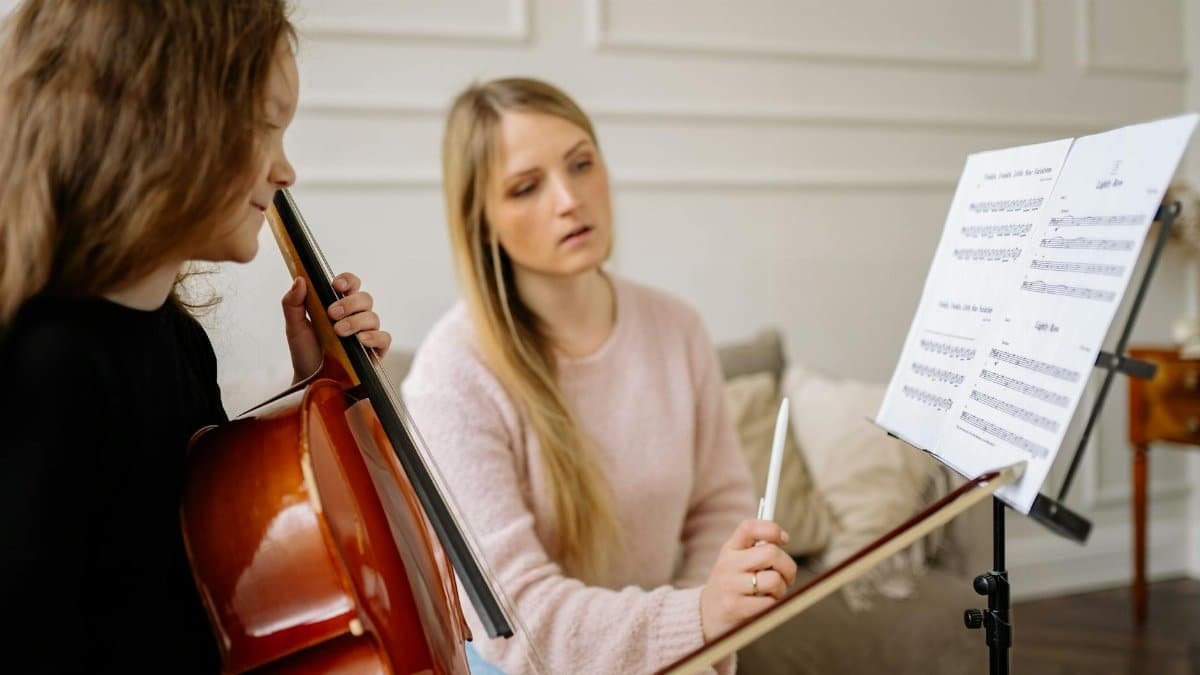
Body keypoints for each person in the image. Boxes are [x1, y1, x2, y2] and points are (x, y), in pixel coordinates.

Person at [0, 2, 390, 671]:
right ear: (161, 122)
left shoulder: (179, 340)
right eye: (265, 129)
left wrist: (319, 394)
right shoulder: (45, 365)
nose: (285, 170)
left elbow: (224, 578)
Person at [401, 77, 798, 674]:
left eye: (581, 164)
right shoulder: (451, 374)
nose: (569, 199)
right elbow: (516, 621)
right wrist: (696, 620)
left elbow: (719, 507)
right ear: (482, 222)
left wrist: (705, 634)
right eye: (526, 187)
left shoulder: (678, 327)